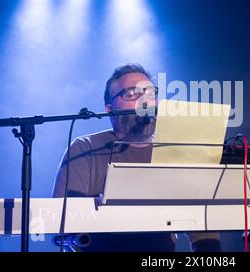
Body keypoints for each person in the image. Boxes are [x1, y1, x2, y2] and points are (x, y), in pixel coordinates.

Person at [52, 63, 221, 252]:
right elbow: (63, 222)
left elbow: (203, 227)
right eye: (132, 94)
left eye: (150, 93)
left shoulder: (176, 151)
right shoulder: (85, 149)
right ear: (110, 109)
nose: (145, 101)